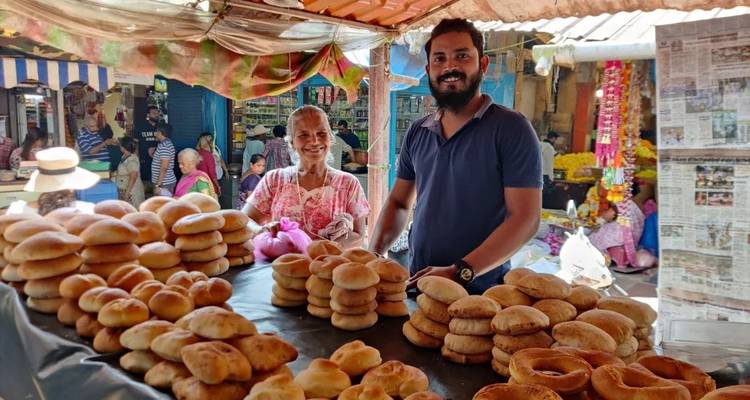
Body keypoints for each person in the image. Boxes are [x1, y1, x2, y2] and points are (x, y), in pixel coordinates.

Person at [369, 18, 542, 295]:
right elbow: (400, 202)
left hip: (483, 293)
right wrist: (373, 254)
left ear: (482, 64)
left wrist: (461, 270)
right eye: (440, 58)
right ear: (428, 70)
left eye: (462, 56)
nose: (450, 67)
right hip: (418, 284)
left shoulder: (511, 129)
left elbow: (525, 218)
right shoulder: (418, 131)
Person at [244, 105, 369, 248]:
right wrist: (262, 231)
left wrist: (329, 249)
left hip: (327, 266)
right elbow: (245, 220)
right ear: (291, 142)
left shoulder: (348, 183)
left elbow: (359, 234)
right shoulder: (274, 180)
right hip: (283, 267)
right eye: (304, 135)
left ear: (330, 137)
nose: (315, 141)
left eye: (321, 133)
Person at [114, 137, 145, 208]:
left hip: (132, 192)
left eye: (120, 145)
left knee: (133, 213)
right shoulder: (124, 156)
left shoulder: (132, 160)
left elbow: (133, 177)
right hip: (125, 190)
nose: (119, 146)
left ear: (124, 147)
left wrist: (127, 194)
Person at [136, 106, 162, 183]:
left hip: (158, 159)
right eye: (154, 113)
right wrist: (137, 156)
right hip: (144, 158)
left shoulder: (162, 127)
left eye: (157, 113)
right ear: (148, 115)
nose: (156, 115)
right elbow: (136, 142)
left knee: (157, 180)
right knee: (146, 181)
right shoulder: (141, 126)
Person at [151, 125, 177, 196]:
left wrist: (158, 185)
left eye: (156, 131)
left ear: (160, 132)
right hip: (164, 182)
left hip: (164, 183)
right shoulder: (165, 144)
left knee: (163, 206)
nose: (155, 134)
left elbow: (164, 167)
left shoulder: (164, 146)